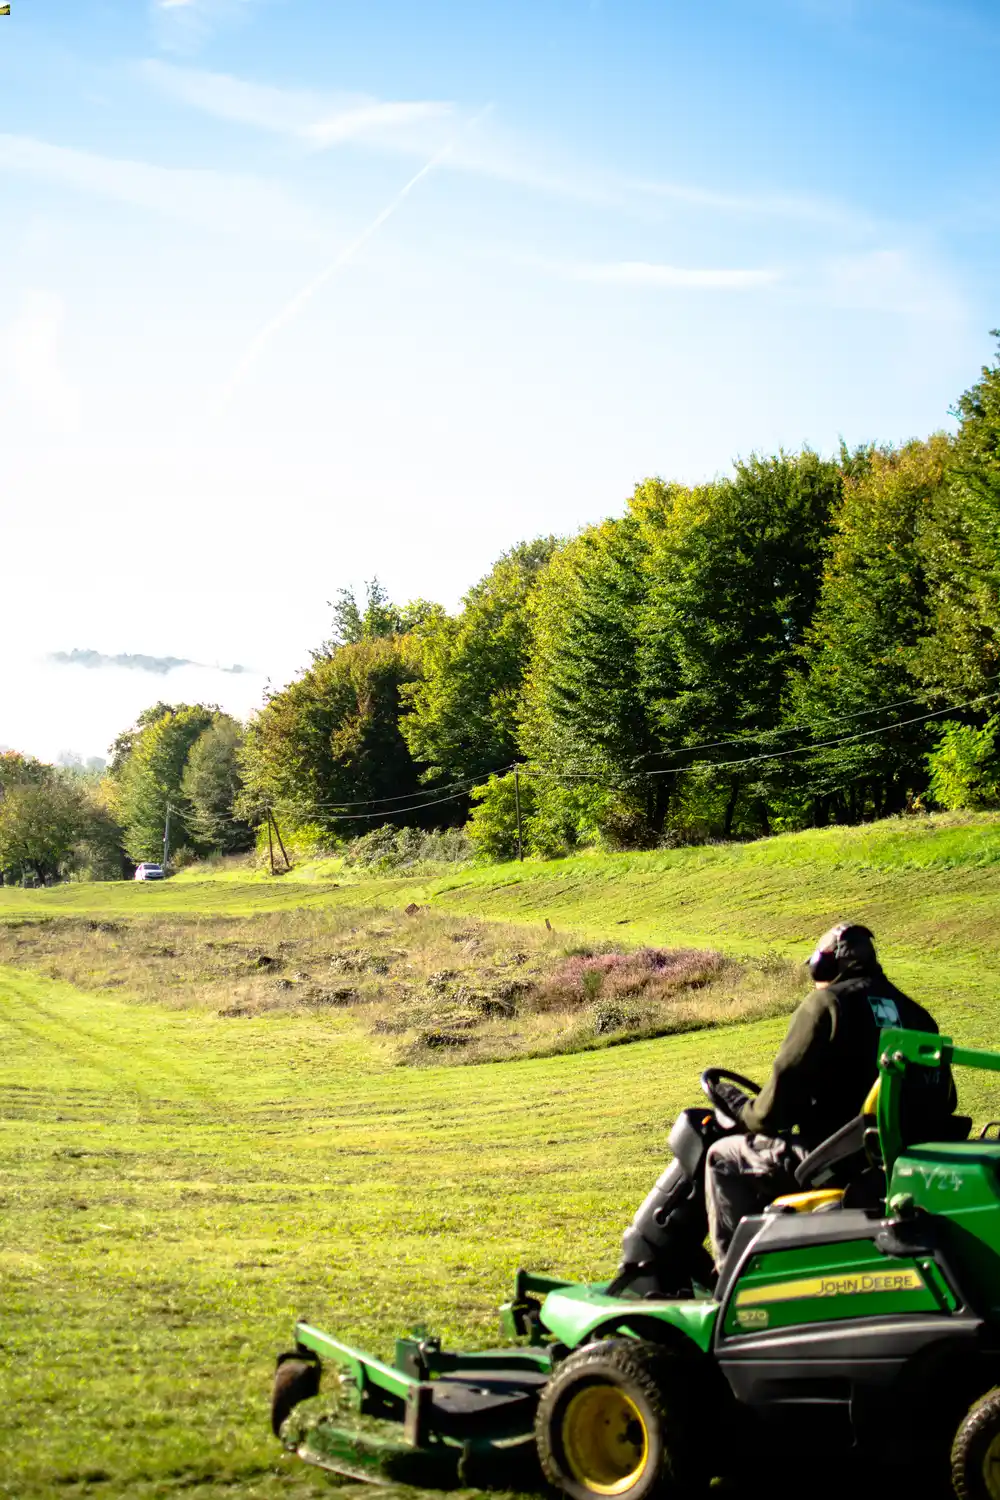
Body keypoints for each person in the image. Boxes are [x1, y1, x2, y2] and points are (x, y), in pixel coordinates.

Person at [704, 921, 955, 1268]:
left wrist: (742, 1109)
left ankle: (733, 1277)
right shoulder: (917, 1015)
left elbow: (773, 1112)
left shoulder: (826, 1004)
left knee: (722, 1157)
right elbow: (946, 1099)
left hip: (836, 1159)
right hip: (894, 1159)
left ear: (826, 965)